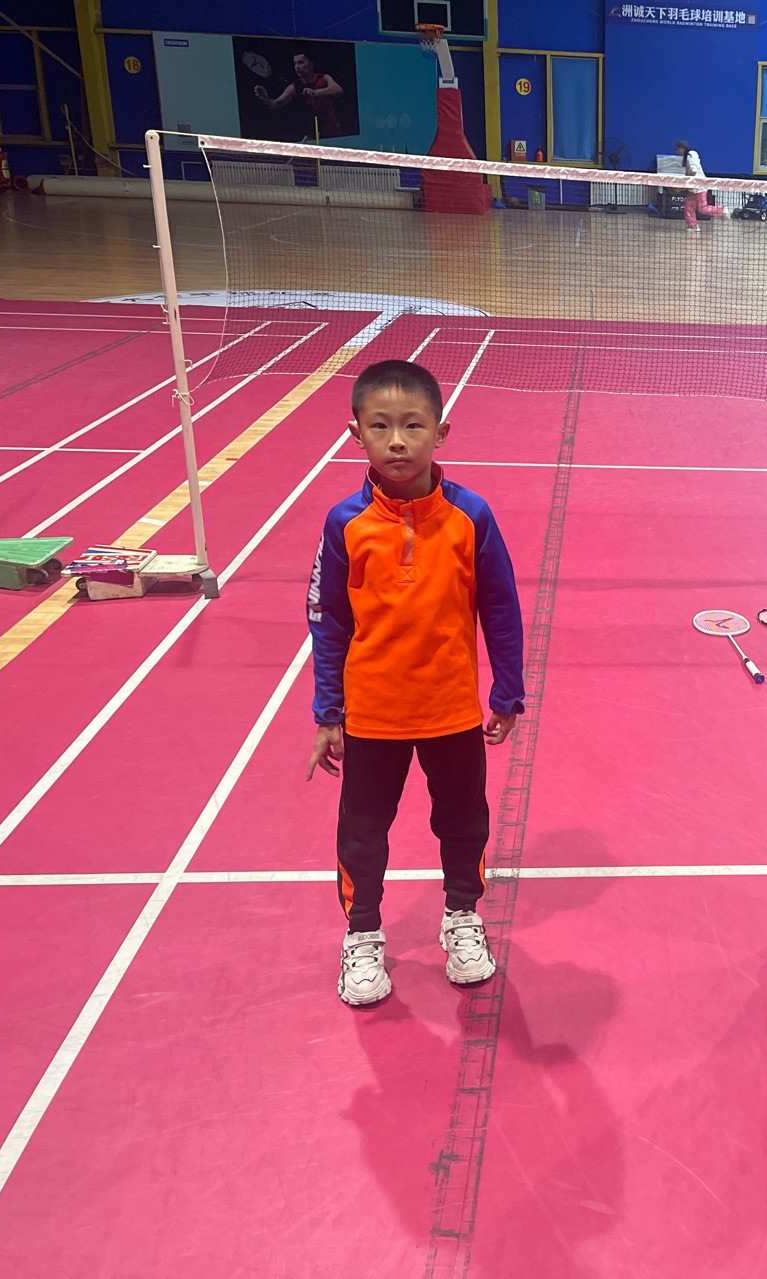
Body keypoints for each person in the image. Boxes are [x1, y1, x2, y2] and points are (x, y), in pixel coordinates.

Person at [306, 359, 525, 1007]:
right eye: (380, 426)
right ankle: (362, 932)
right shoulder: (344, 523)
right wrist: (328, 711)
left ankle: (462, 915)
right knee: (362, 831)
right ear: (356, 433)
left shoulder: (470, 516)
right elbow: (327, 619)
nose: (397, 441)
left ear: (441, 432)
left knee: (463, 822)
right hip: (372, 715)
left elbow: (501, 606)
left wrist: (507, 691)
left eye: (413, 426)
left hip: (451, 710)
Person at [257, 51, 345, 140]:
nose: (297, 67)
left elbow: (338, 90)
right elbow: (275, 104)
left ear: (311, 64)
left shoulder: (324, 78)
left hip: (333, 133)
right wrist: (266, 98)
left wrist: (316, 92)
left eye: (301, 62)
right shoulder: (295, 87)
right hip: (311, 136)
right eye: (295, 63)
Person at [676, 139, 727, 228]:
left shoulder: (690, 155)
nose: (677, 152)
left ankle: (722, 210)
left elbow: (693, 171)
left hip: (700, 186)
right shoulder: (689, 156)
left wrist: (687, 180)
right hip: (693, 188)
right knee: (688, 207)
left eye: (678, 150)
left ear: (681, 148)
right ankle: (692, 225)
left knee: (702, 208)